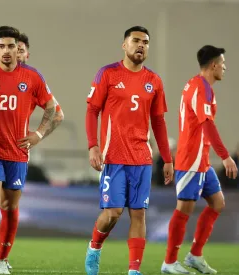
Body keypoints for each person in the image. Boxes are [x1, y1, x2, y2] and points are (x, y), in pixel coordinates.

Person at [0, 32, 64, 269]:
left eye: (17, 48)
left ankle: (2, 258)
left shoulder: (33, 78)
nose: (12, 52)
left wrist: (38, 134)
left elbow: (56, 113)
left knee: (9, 205)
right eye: (6, 47)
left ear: (25, 53)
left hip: (17, 152)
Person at [84, 26, 173, 275]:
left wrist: (167, 158)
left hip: (142, 157)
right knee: (112, 213)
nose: (141, 45)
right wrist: (93, 146)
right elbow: (92, 111)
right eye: (135, 41)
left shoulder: (154, 81)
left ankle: (134, 270)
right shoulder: (108, 74)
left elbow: (158, 122)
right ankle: (94, 248)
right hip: (113, 156)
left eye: (145, 41)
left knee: (138, 214)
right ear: (124, 45)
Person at [161, 45, 237, 274]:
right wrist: (225, 157)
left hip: (201, 160)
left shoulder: (199, 86)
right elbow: (207, 124)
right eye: (222, 63)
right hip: (190, 159)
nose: (225, 67)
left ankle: (195, 255)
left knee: (218, 203)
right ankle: (169, 262)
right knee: (184, 209)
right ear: (213, 65)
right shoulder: (200, 88)